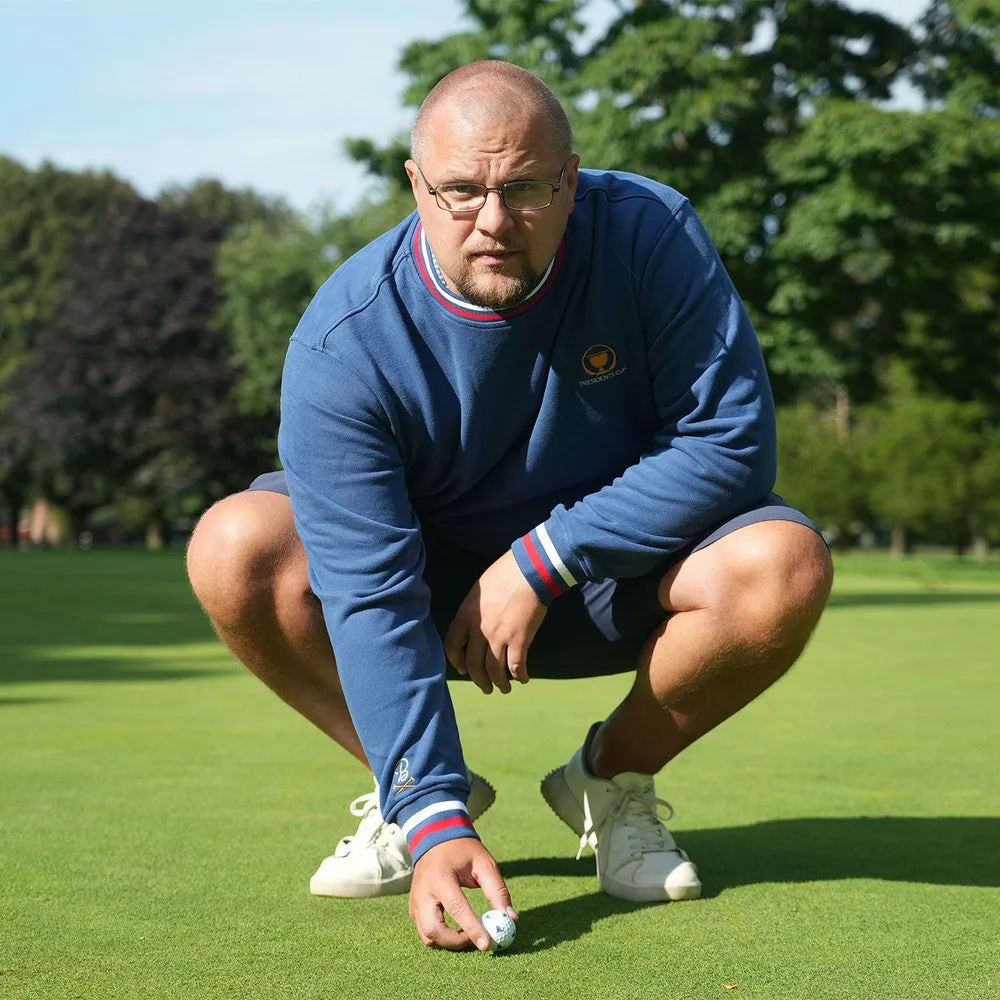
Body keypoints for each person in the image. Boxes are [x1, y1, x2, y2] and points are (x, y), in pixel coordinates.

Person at [185, 60, 833, 952]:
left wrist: (543, 559)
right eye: (460, 190)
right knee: (235, 547)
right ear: (416, 185)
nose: (492, 221)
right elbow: (368, 593)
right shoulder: (343, 342)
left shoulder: (649, 234)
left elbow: (731, 442)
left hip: (614, 580)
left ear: (572, 180)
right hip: (431, 600)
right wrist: (437, 819)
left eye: (525, 187)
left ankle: (612, 781)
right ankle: (416, 792)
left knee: (782, 564)